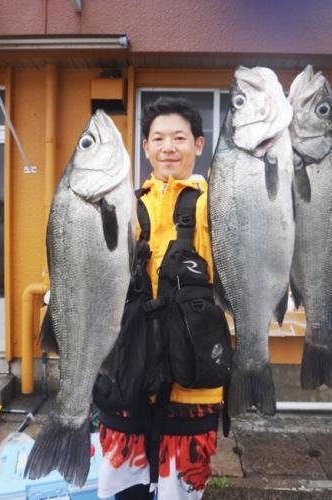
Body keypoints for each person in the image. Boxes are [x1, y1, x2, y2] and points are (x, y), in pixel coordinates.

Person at [96, 97, 225, 500]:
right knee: (120, 487)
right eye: (158, 138)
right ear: (146, 147)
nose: (168, 146)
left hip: (194, 385)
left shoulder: (217, 204)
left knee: (179, 491)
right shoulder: (122, 205)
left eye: (179, 137)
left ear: (199, 145)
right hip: (127, 373)